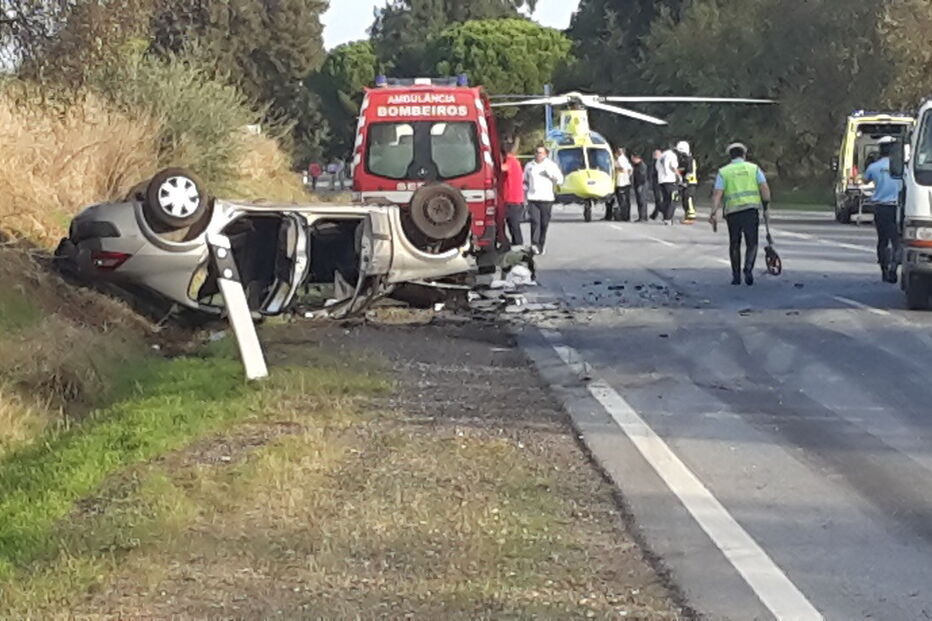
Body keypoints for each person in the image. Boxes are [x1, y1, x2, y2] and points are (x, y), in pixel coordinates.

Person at [709, 142, 771, 286]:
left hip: (733, 212)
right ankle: (748, 269)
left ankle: (736, 276)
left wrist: (713, 212)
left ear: (730, 156)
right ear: (744, 155)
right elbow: (764, 188)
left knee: (734, 243)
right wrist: (766, 206)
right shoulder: (754, 169)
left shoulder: (724, 172)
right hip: (750, 210)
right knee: (752, 243)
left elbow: (717, 193)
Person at [863, 136, 903, 283]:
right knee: (897, 240)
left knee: (883, 240)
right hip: (898, 207)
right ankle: (894, 266)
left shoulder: (873, 167)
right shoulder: (901, 167)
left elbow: (866, 181)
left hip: (881, 207)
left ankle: (884, 270)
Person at [523, 144, 565, 255]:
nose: (538, 154)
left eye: (541, 152)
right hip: (533, 198)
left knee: (544, 223)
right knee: (535, 222)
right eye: (537, 152)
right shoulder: (529, 166)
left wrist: (551, 177)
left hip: (546, 198)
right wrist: (525, 191)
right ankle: (534, 244)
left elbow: (560, 180)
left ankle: (541, 245)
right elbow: (525, 180)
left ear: (545, 154)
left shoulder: (551, 165)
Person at [501, 141, 526, 247]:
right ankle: (516, 243)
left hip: (513, 199)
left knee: (514, 224)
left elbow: (502, 168)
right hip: (514, 199)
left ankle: (518, 244)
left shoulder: (510, 161)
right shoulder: (515, 161)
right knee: (512, 224)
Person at [675, 140, 699, 222]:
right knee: (684, 200)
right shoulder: (683, 160)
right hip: (685, 183)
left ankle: (690, 217)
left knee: (689, 199)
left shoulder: (690, 160)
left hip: (690, 183)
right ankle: (687, 215)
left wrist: (685, 181)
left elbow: (689, 172)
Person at [656, 144, 680, 224]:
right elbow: (673, 167)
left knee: (666, 199)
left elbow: (657, 167)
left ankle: (664, 215)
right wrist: (679, 176)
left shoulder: (661, 156)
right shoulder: (672, 155)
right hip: (670, 180)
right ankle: (668, 218)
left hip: (661, 180)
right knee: (673, 199)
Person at [612, 147, 633, 222]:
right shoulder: (625, 159)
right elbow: (630, 170)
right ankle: (626, 216)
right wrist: (627, 176)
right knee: (625, 201)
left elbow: (623, 169)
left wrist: (615, 166)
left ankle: (624, 216)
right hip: (625, 182)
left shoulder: (621, 159)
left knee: (622, 201)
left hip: (621, 183)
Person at [631, 153, 649, 222]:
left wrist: (640, 186)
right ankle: (641, 216)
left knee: (642, 201)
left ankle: (643, 217)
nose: (632, 159)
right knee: (639, 201)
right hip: (638, 184)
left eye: (633, 158)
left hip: (642, 185)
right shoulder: (637, 165)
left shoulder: (642, 165)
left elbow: (642, 176)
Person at [650, 149, 664, 219]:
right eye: (654, 154)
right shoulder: (656, 162)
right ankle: (654, 214)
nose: (654, 156)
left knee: (658, 199)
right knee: (657, 199)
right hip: (656, 182)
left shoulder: (660, 162)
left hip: (659, 183)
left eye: (656, 154)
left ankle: (664, 211)